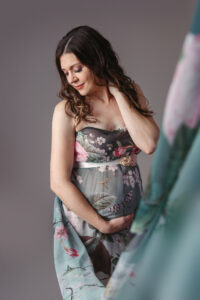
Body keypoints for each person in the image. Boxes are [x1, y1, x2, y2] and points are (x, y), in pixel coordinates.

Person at [50, 25, 159, 299]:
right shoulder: (67, 111)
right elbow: (58, 181)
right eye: (66, 72)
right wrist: (101, 224)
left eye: (77, 68)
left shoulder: (130, 92)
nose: (71, 78)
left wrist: (118, 93)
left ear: (97, 60)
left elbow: (149, 144)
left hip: (131, 221)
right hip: (87, 227)